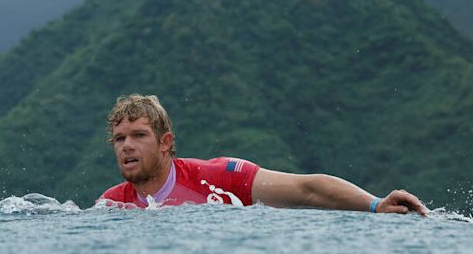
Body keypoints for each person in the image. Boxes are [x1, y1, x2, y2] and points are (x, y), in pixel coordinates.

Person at [99, 94, 427, 215]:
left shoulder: (220, 177)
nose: (127, 145)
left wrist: (375, 205)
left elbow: (307, 189)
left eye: (139, 135)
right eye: (119, 138)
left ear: (165, 142)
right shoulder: (111, 206)